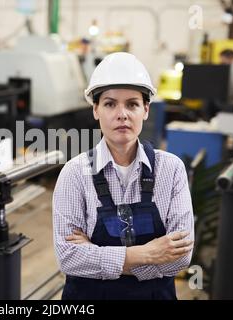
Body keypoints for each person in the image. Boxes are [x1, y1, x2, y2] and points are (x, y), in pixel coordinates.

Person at [52, 52, 194, 300]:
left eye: (132, 104)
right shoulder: (74, 174)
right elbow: (68, 257)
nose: (122, 114)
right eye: (109, 103)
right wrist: (146, 254)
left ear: (146, 110)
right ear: (95, 109)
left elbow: (180, 257)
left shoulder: (171, 170)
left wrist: (97, 256)